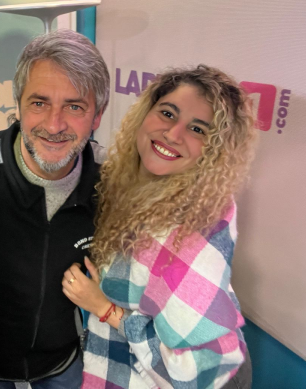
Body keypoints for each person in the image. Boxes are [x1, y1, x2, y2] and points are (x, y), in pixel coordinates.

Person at [63, 65, 257, 389]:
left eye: (198, 129)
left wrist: (104, 307)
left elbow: (197, 370)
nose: (173, 134)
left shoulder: (189, 230)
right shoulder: (139, 183)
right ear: (145, 113)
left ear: (215, 149)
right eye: (168, 113)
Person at [0, 29, 110, 388]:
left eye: (75, 106)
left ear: (97, 116)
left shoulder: (113, 179)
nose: (54, 124)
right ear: (18, 105)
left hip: (64, 363)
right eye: (39, 103)